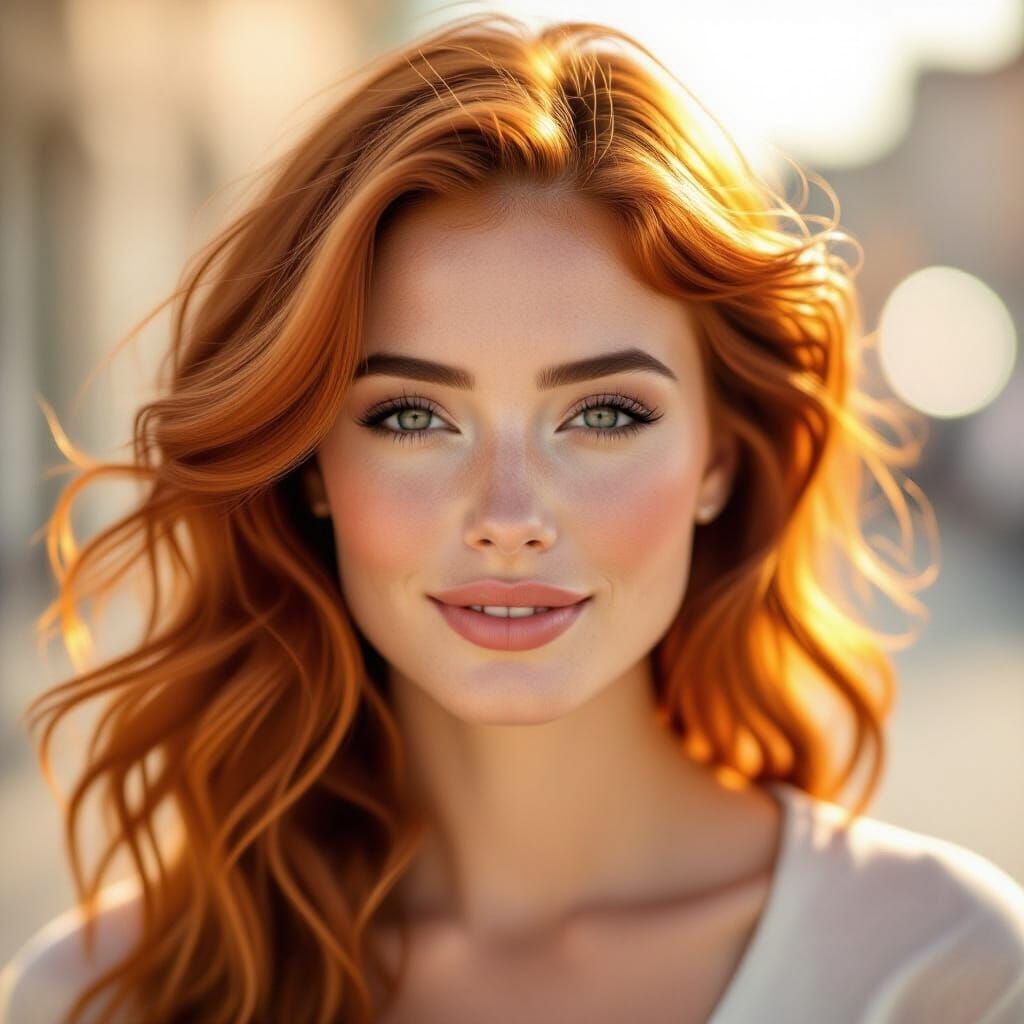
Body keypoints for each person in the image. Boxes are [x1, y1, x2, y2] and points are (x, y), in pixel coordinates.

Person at [2, 12, 1023, 1024]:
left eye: (603, 414)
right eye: (412, 416)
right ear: (311, 465)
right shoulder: (99, 997)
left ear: (716, 457)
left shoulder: (945, 975)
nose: (508, 517)